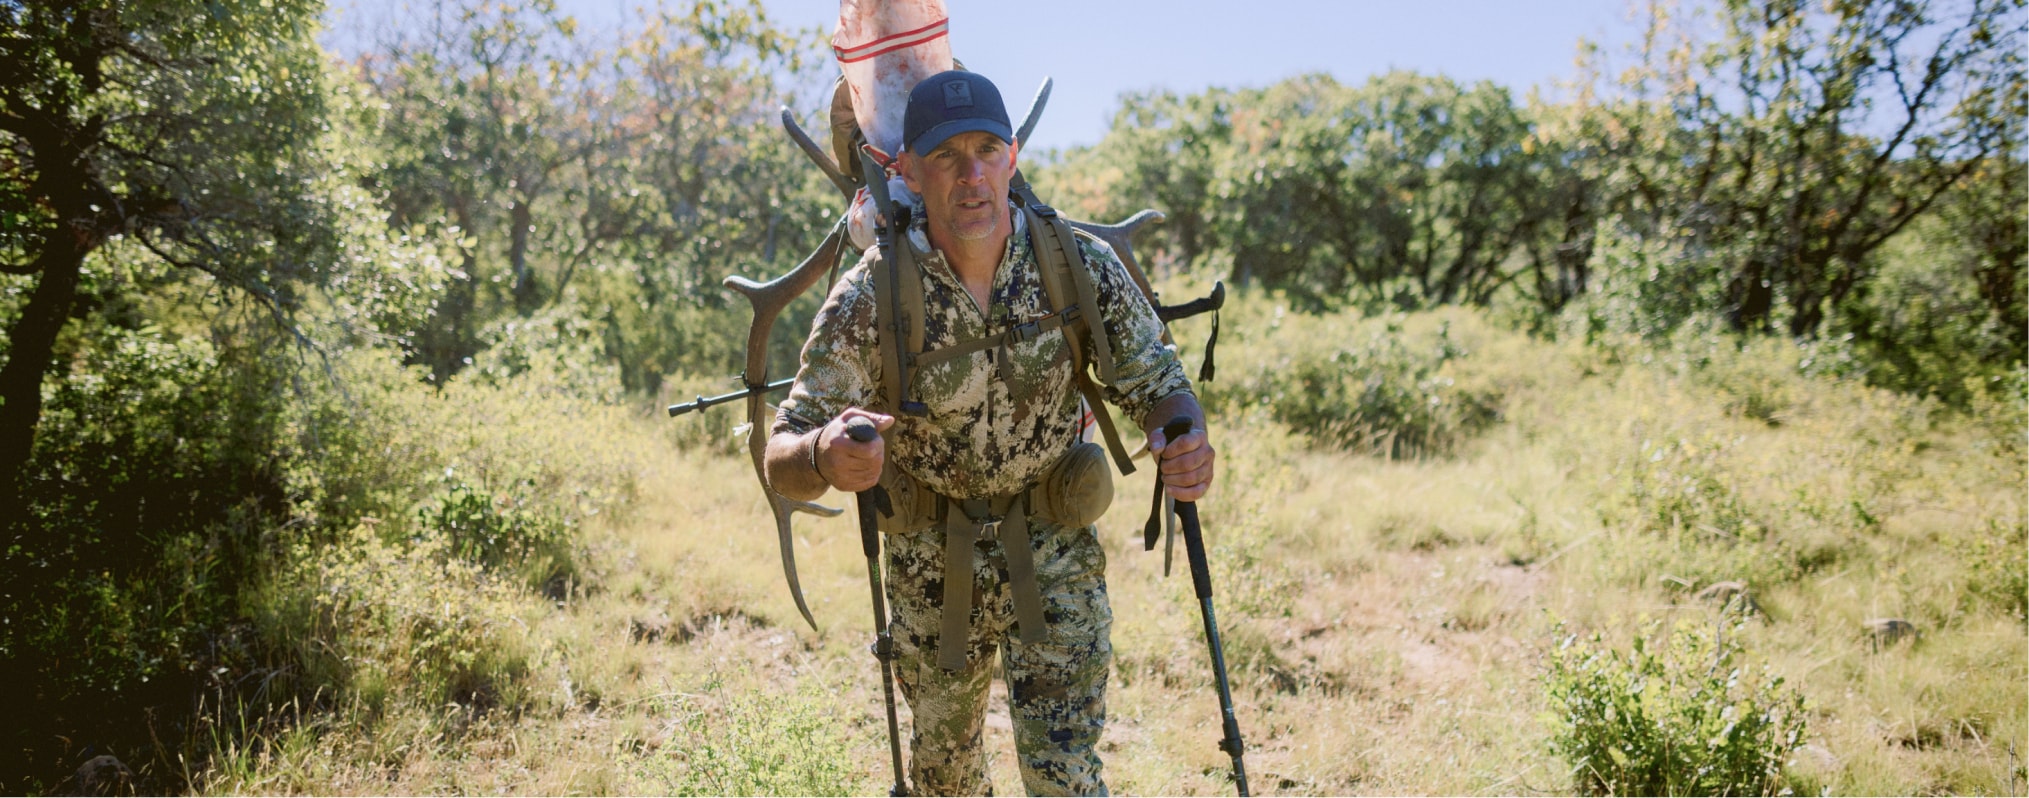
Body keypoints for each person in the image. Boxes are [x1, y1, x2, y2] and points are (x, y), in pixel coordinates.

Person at [764, 70, 1214, 796]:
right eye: (944, 156)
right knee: (944, 782)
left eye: (985, 150)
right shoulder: (873, 296)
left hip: (1056, 555)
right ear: (906, 169)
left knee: (1066, 778)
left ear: (1011, 158)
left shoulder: (1074, 265)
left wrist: (1183, 438)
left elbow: (1159, 385)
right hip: (930, 570)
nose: (970, 175)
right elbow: (782, 453)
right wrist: (824, 452)